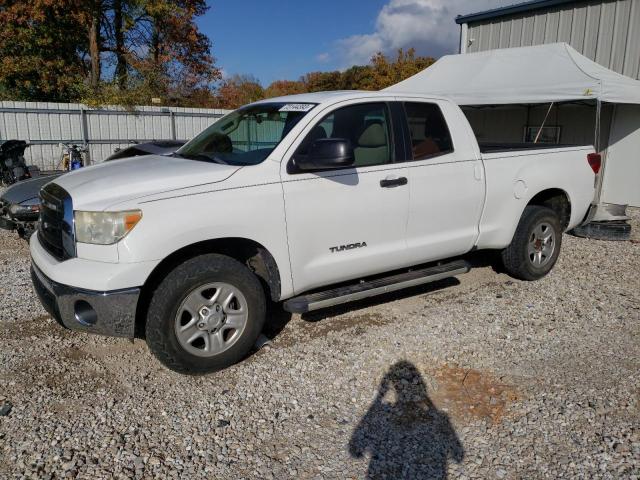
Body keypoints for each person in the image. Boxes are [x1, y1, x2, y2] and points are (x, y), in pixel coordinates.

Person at [349, 361, 464, 479]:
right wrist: (430, 405)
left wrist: (379, 397)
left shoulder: (382, 417)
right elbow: (458, 455)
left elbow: (355, 450)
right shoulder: (440, 420)